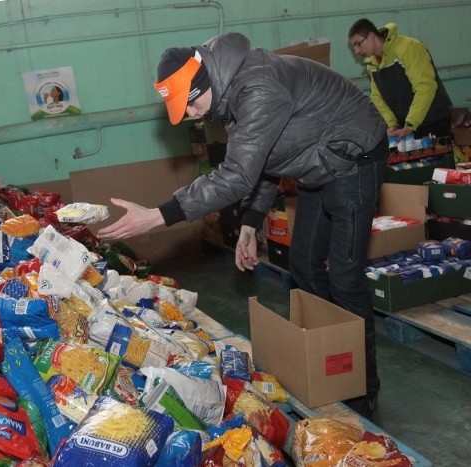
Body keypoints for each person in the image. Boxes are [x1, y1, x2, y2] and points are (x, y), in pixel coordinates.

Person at [98, 32, 389, 418]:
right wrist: (251, 222)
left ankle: (361, 390)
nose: (190, 115)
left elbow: (238, 174)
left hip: (354, 159)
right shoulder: (229, 94)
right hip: (317, 162)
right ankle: (329, 359)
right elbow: (266, 159)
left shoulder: (257, 88)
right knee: (302, 267)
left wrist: (158, 215)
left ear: (204, 85)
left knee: (346, 279)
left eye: (190, 104)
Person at [348, 19, 452, 139]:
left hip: (434, 123)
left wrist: (411, 124)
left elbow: (425, 87)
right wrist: (393, 124)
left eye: (358, 44)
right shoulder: (372, 64)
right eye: (353, 46)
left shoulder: (409, 47)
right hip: (407, 129)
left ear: (371, 36)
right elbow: (378, 97)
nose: (356, 51)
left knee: (437, 158)